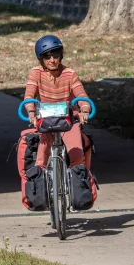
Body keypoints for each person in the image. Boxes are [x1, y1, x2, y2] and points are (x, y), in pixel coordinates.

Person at [22, 35, 93, 186]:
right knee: (42, 150)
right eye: (47, 57)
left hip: (68, 118)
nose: (52, 60)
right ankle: (40, 184)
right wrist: (31, 113)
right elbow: (29, 96)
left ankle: (76, 184)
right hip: (45, 119)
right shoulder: (36, 73)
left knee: (76, 151)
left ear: (61, 56)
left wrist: (84, 110)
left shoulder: (70, 73)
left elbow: (81, 95)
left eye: (56, 55)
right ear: (41, 59)